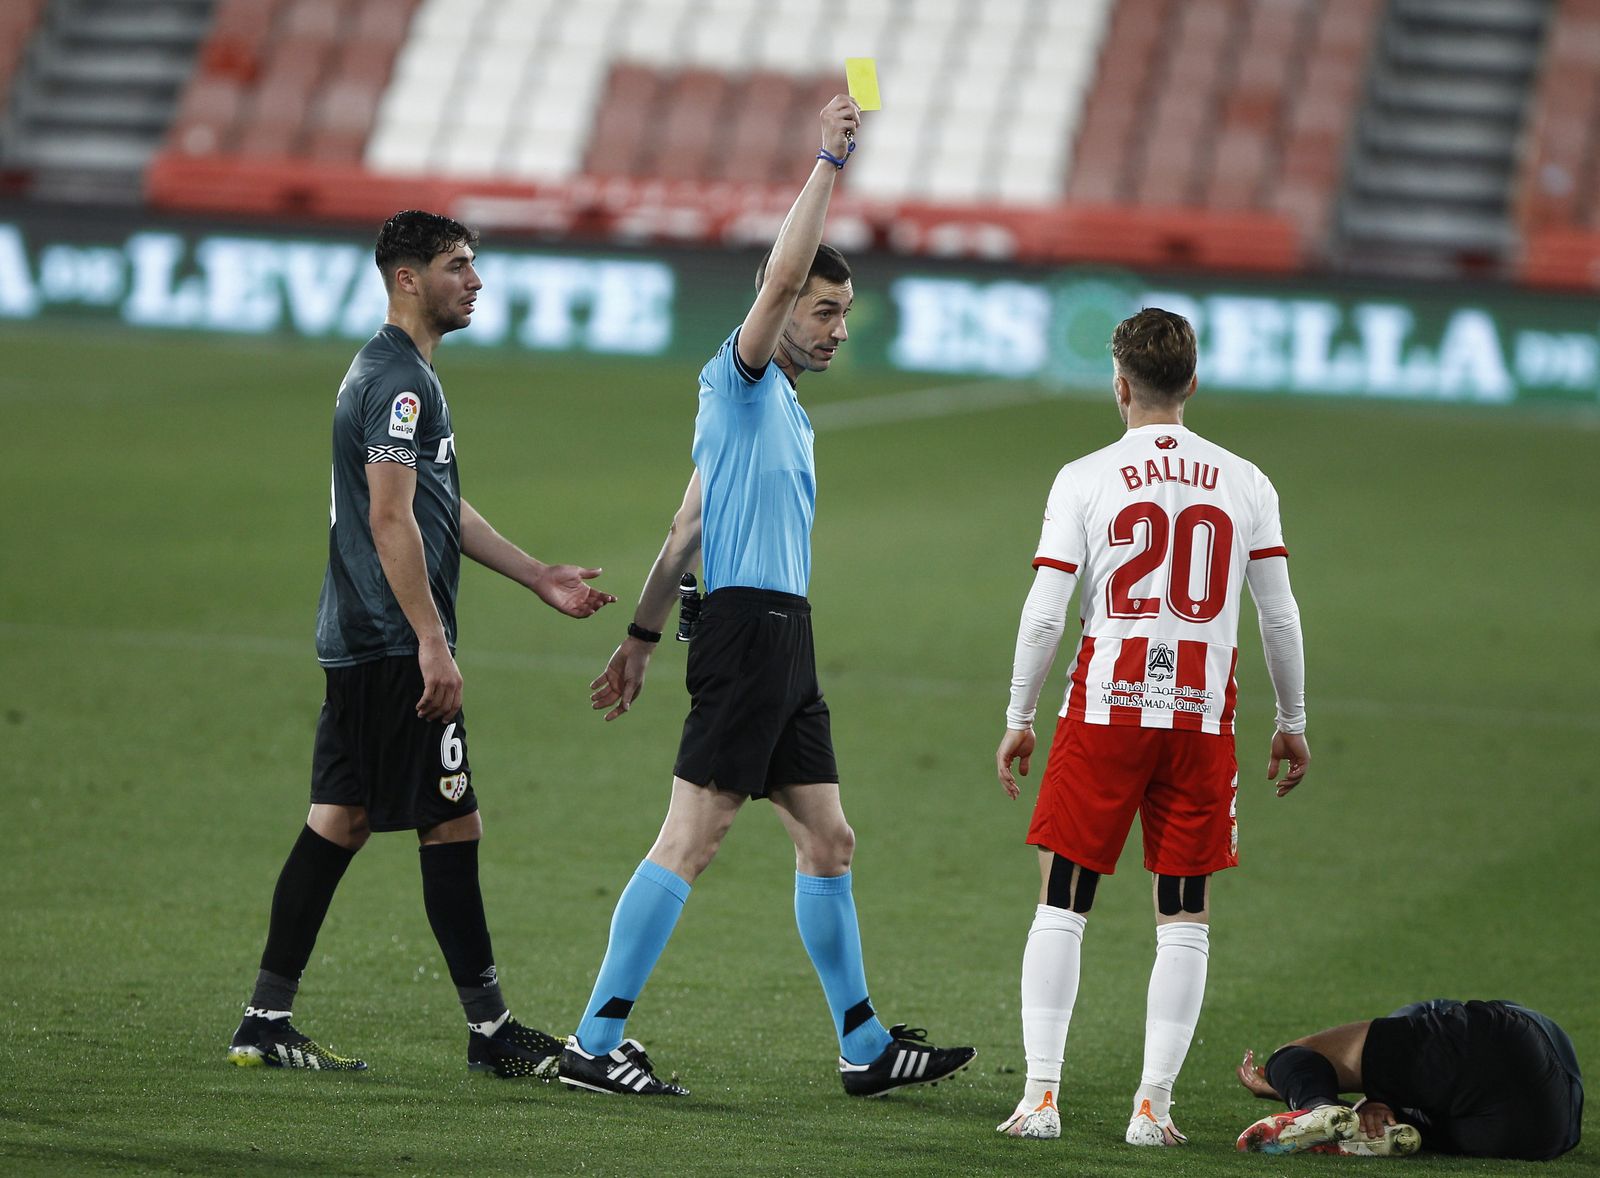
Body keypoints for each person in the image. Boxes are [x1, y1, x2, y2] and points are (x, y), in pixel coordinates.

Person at [560, 96, 976, 1099]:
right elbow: (785, 266)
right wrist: (830, 158)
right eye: (824, 311)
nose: (838, 328)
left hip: (781, 639)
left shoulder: (774, 413)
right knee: (691, 838)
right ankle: (593, 1039)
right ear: (777, 307)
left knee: (828, 838)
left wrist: (641, 637)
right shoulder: (740, 379)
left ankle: (864, 1044)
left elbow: (684, 528)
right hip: (749, 632)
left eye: (842, 313)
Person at [227, 210, 615, 1077]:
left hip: (363, 639)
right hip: (389, 642)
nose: (475, 281)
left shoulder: (399, 374)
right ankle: (491, 1033)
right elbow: (390, 515)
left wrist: (536, 574)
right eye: (458, 265)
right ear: (408, 278)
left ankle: (264, 1018)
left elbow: (437, 503)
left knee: (343, 818)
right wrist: (431, 643)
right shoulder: (399, 381)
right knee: (450, 821)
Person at [993, 308, 1309, 1145]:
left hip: (1104, 712)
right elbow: (1278, 617)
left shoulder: (1085, 475)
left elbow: (1044, 611)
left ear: (1121, 384)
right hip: (1201, 719)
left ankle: (1040, 1098)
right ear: (1192, 384)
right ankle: (1152, 1107)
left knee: (1063, 902)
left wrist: (1021, 716)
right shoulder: (1246, 480)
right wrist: (1294, 720)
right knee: (1184, 912)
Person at [1235, 998, 1583, 1160]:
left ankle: (1318, 1105)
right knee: (1410, 1126)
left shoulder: (1436, 1016)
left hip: (1505, 1041)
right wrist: (1380, 1100)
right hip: (1545, 1134)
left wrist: (1290, 1085)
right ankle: (1368, 1132)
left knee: (1288, 1057)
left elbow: (1409, 1026)